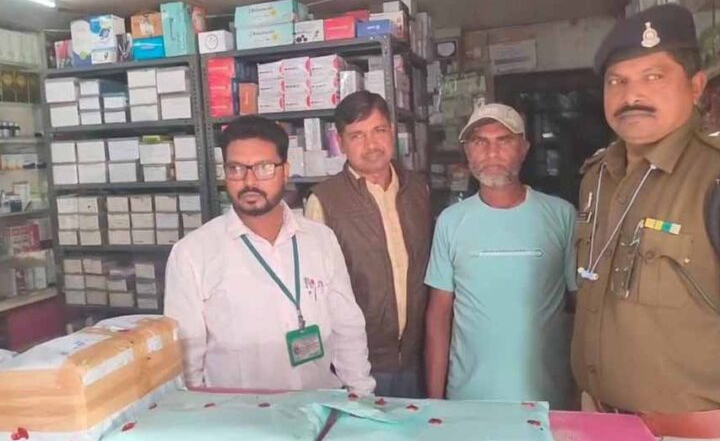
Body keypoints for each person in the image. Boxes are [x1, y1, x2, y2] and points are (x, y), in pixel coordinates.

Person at [572, 3, 720, 437]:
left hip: (689, 434)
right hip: (598, 420)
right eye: (616, 81)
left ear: (695, 86)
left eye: (653, 77)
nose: (631, 95)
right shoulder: (597, 177)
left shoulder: (711, 179)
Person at [164, 115, 375, 395]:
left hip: (318, 404)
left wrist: (361, 395)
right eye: (236, 168)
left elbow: (347, 326)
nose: (249, 181)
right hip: (242, 415)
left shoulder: (320, 240)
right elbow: (186, 361)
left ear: (285, 171)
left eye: (264, 168)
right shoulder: (192, 253)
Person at [424, 103, 577, 410]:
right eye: (480, 142)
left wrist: (579, 395)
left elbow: (583, 312)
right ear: (467, 152)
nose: (491, 153)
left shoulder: (561, 215)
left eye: (504, 140)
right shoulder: (450, 222)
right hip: (468, 401)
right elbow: (439, 318)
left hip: (547, 401)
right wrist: (434, 404)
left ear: (524, 149)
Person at [305, 91, 432, 398]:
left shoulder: (418, 189)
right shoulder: (324, 200)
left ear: (392, 131)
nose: (372, 145)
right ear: (341, 142)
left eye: (379, 130)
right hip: (358, 364)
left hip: (418, 359)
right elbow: (315, 293)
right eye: (357, 136)